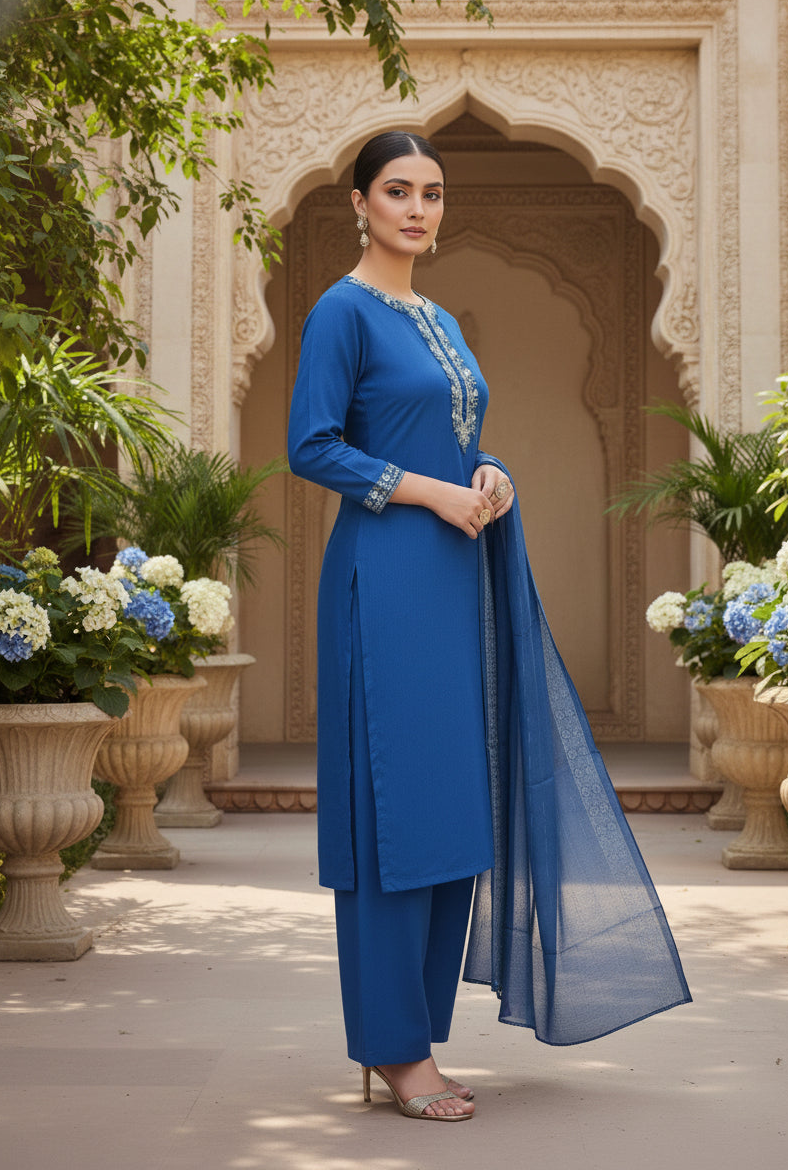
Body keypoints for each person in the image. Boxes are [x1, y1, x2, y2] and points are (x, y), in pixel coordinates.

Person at [287, 130, 691, 1124]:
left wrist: (490, 472)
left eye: (431, 192)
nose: (418, 209)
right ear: (359, 203)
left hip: (457, 575)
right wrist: (429, 493)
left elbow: (455, 434)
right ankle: (395, 1050)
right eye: (397, 191)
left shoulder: (434, 318)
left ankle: (415, 1034)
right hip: (384, 580)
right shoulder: (342, 312)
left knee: (448, 808)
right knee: (393, 813)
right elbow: (313, 445)